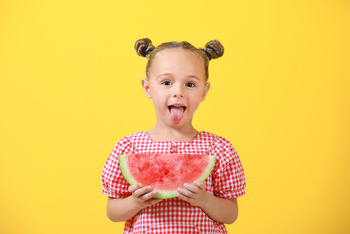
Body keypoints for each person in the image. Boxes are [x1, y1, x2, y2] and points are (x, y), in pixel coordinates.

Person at [101, 38, 246, 234]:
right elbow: (113, 212)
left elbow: (231, 214)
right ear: (147, 87)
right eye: (167, 82)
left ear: (204, 91)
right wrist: (134, 202)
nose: (178, 92)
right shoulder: (128, 148)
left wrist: (204, 199)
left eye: (190, 84)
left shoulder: (219, 149)